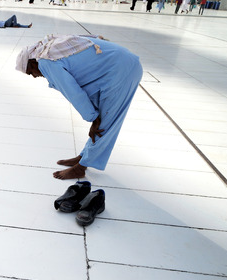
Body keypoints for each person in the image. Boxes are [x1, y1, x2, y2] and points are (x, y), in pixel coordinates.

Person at [16, 35, 142, 180]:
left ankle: (81, 168)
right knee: (102, 119)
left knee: (104, 123)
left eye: (30, 72)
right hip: (121, 65)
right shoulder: (50, 50)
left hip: (121, 71)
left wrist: (93, 118)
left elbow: (74, 93)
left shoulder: (46, 62)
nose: (34, 76)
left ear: (32, 63)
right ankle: (83, 157)